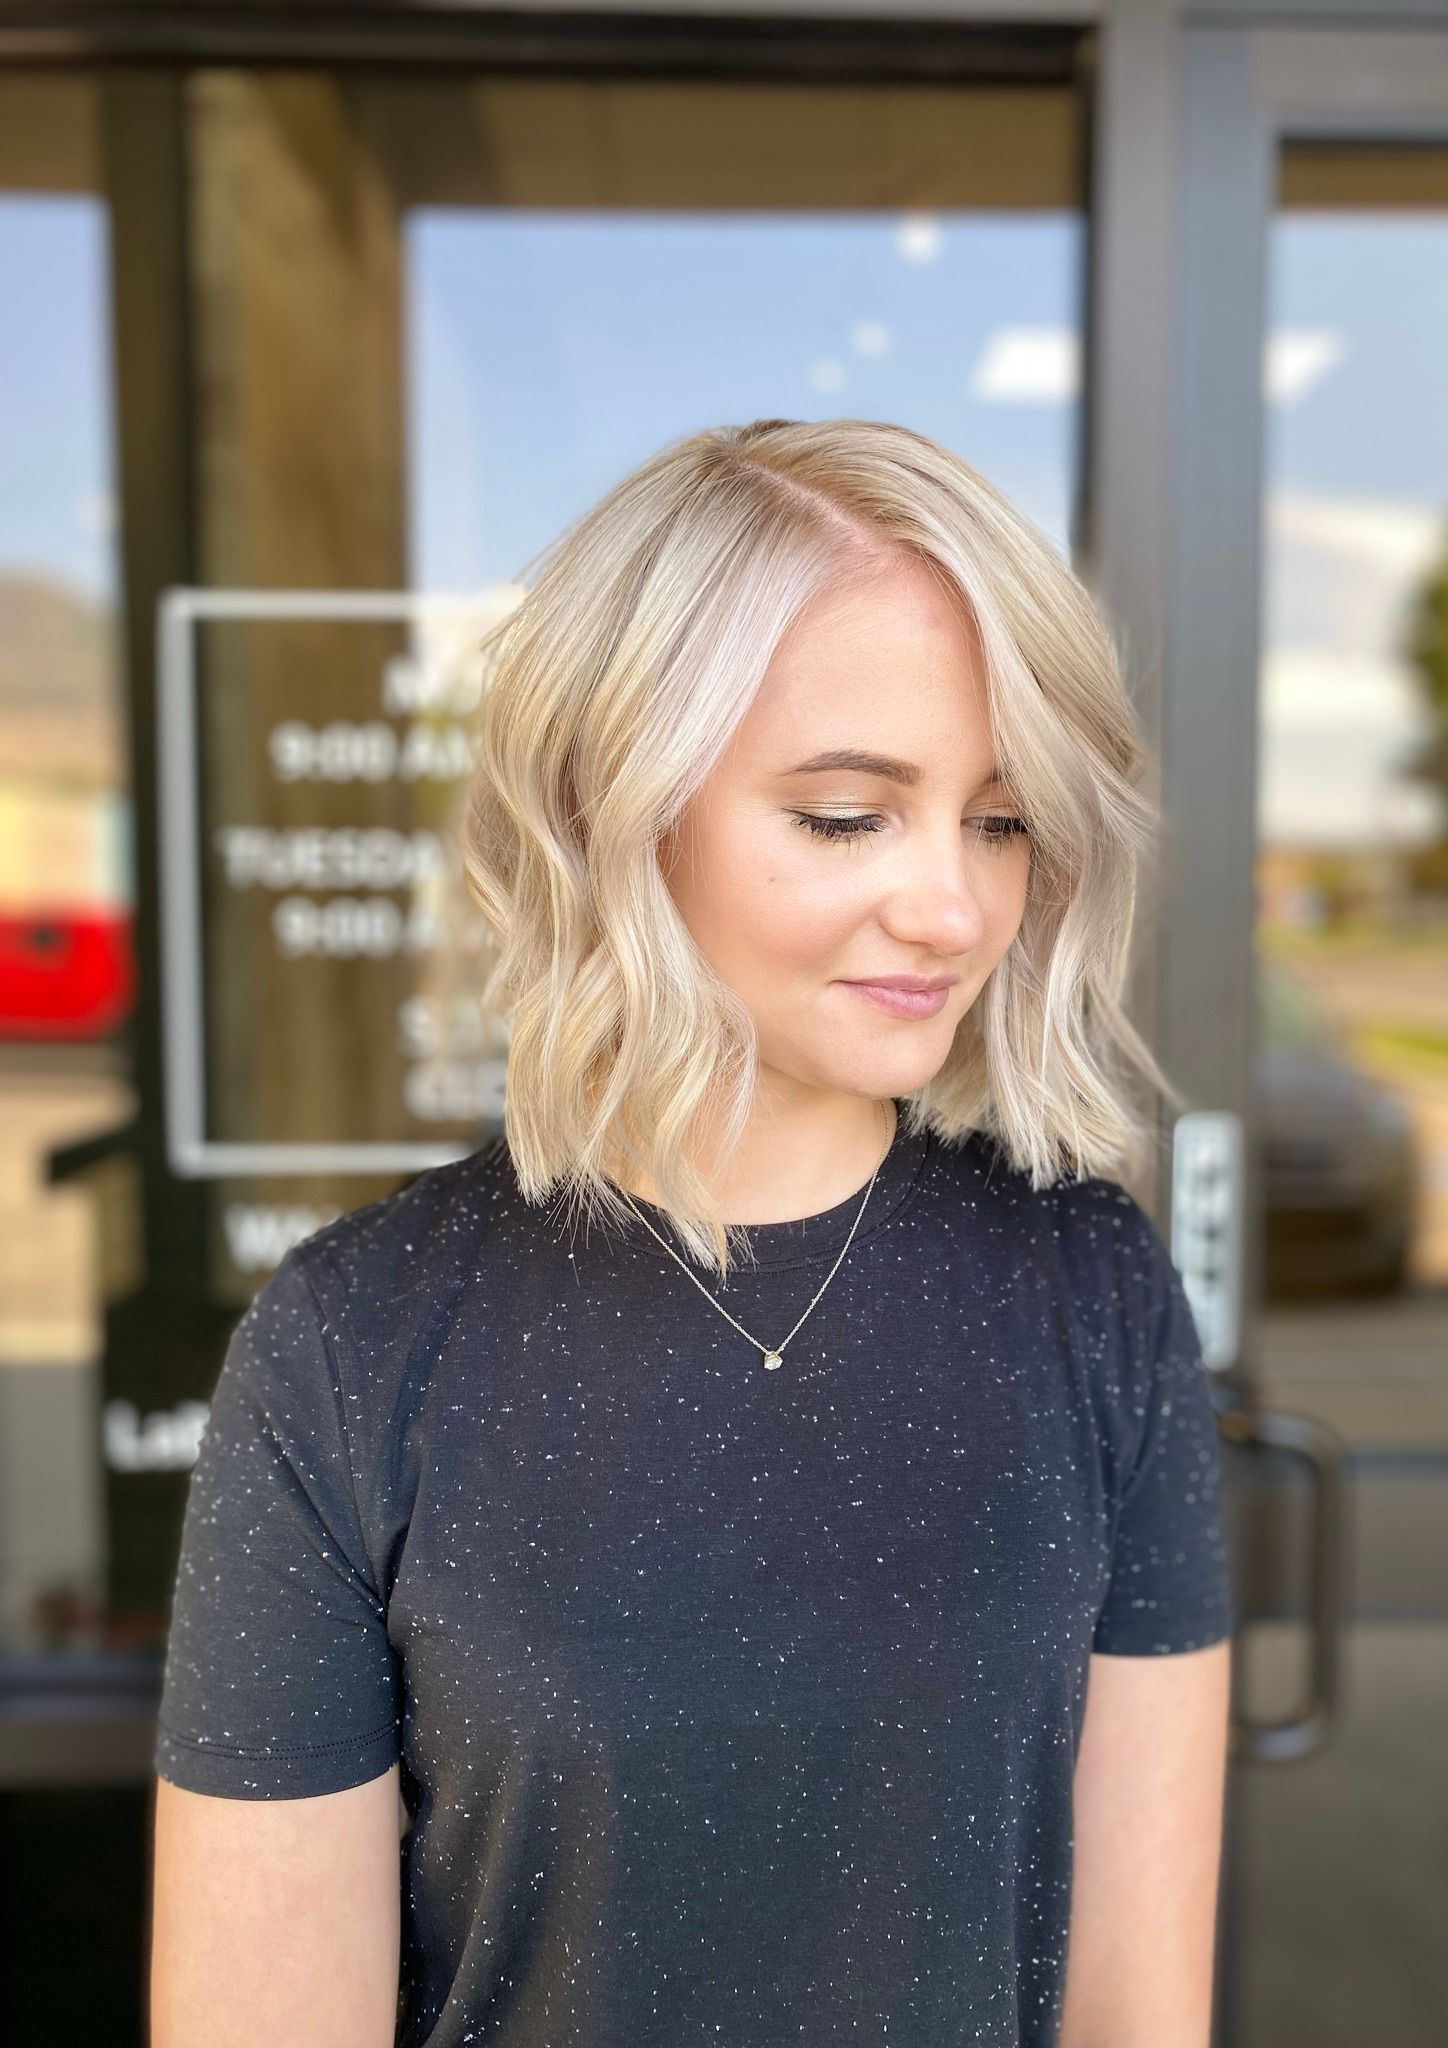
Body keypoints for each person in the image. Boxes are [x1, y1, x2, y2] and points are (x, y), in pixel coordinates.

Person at [150, 418, 1234, 2048]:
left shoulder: (1090, 1287)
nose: (954, 907)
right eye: (849, 815)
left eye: (1000, 820)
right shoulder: (357, 1342)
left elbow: (1136, 2013)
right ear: (622, 807)